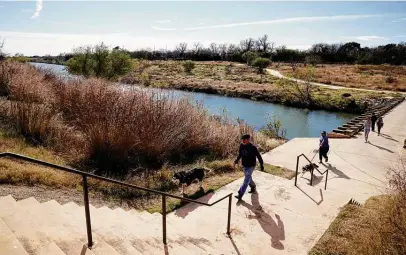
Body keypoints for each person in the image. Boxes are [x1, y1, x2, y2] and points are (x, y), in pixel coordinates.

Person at [234, 134, 264, 201]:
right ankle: (253, 186)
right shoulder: (241, 145)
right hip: (244, 165)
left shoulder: (253, 147)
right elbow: (240, 154)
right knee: (249, 178)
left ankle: (240, 194)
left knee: (246, 180)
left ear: (248, 139)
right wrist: (236, 161)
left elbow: (259, 156)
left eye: (244, 139)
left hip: (251, 166)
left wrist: (261, 165)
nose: (243, 141)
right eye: (242, 139)